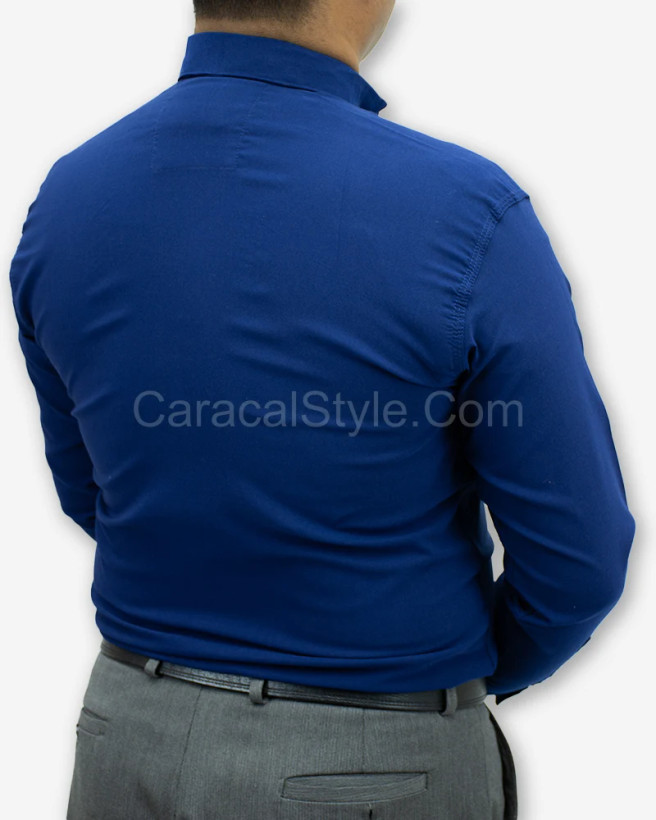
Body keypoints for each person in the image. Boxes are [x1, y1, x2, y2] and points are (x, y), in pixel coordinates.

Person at [8, 1, 635, 818]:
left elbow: (88, 489)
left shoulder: (67, 195)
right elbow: (579, 557)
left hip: (126, 736)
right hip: (372, 760)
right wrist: (452, 677)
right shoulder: (464, 209)